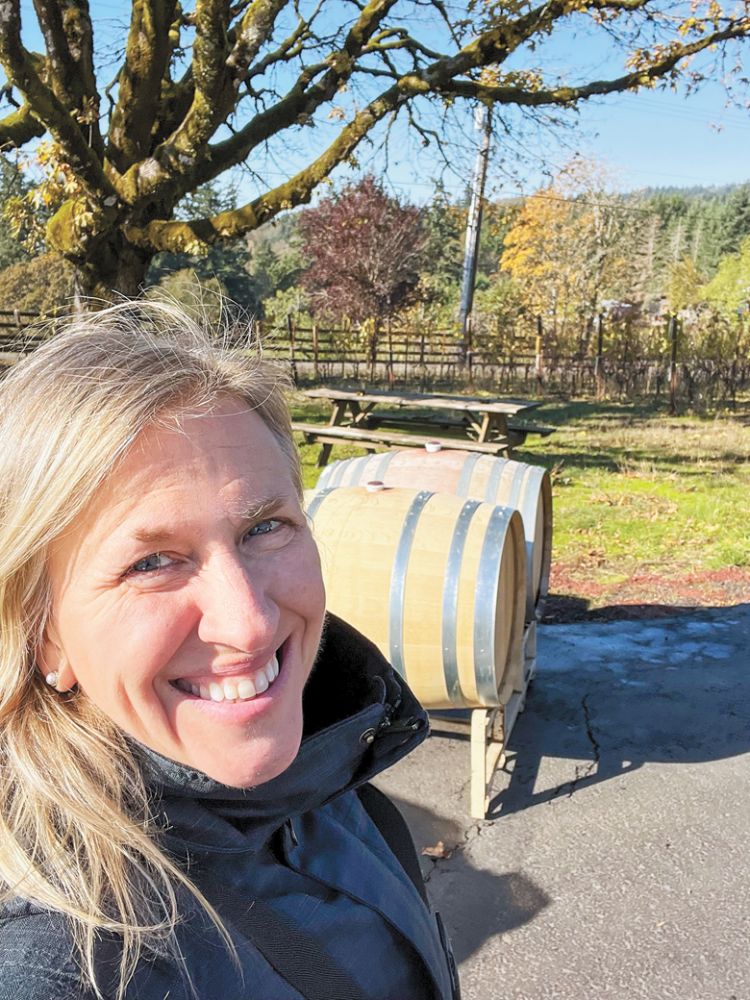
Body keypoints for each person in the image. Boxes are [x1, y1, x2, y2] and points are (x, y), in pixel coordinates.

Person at [0, 299, 460, 1000]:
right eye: (153, 561)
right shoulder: (63, 966)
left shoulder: (329, 760)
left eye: (266, 527)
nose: (247, 623)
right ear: (44, 635)